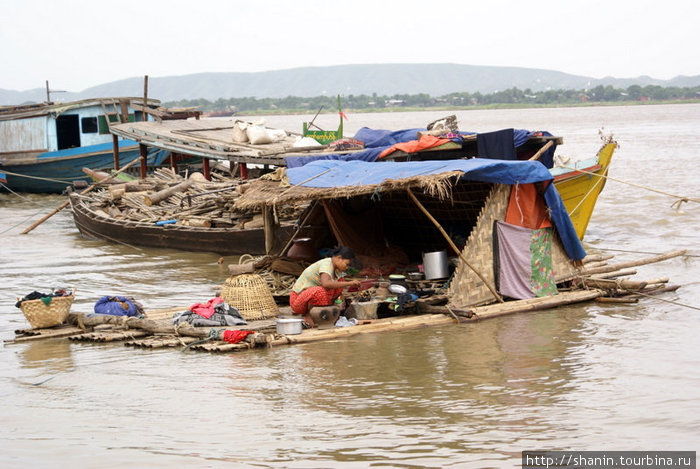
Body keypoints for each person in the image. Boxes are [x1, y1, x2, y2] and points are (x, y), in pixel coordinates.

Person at [289, 246, 361, 327]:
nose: (347, 267)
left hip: (310, 301)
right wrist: (349, 283)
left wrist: (341, 299)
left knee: (340, 282)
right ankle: (309, 316)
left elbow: (338, 286)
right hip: (298, 302)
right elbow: (326, 284)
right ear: (339, 258)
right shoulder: (326, 264)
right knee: (320, 291)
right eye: (346, 264)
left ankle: (326, 311)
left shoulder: (337, 271)